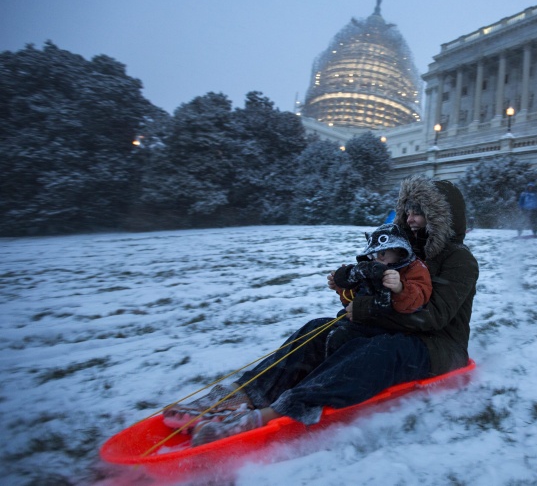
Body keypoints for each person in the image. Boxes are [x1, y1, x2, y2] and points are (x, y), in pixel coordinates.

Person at [162, 176, 478, 445]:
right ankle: (243, 394)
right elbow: (373, 290)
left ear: (442, 217)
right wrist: (351, 288)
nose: (410, 219)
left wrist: (366, 311)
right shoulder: (403, 251)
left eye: (419, 213)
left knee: (382, 350)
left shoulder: (459, 259)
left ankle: (275, 413)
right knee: (321, 328)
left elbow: (434, 318)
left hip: (439, 347)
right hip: (393, 328)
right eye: (408, 211)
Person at [325, 222, 432, 356]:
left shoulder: (415, 268)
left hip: (392, 328)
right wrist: (342, 287)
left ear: (399, 251)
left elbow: (419, 298)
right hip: (362, 321)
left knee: (343, 339)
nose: (376, 260)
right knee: (330, 334)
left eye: (382, 253)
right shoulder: (373, 268)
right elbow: (354, 298)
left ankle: (338, 367)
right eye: (372, 255)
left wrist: (400, 287)